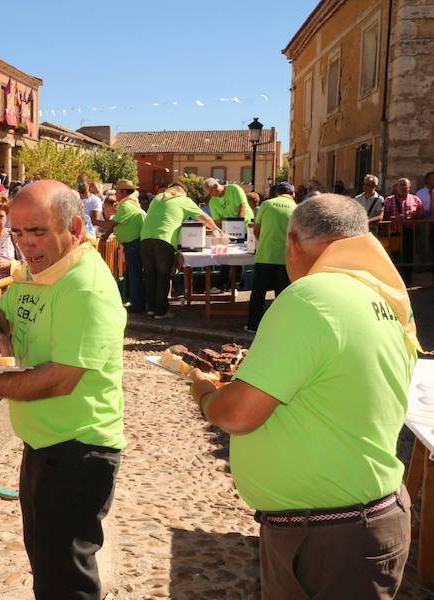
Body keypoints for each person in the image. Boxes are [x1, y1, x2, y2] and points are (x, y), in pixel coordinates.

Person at [190, 195, 418, 600]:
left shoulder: (313, 296)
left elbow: (240, 415)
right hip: (360, 521)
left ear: (293, 243)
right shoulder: (381, 293)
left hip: (330, 537)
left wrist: (206, 394)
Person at [0, 180, 126, 600]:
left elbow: (60, 378)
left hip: (79, 449)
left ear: (74, 228)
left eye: (37, 231)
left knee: (65, 577)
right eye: (17, 232)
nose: (24, 244)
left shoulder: (84, 285)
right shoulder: (39, 272)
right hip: (45, 444)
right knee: (47, 563)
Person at [140, 183, 221, 318]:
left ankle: (151, 309)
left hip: (145, 238)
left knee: (150, 275)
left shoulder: (159, 197)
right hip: (164, 239)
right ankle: (161, 311)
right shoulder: (183, 200)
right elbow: (204, 218)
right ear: (184, 191)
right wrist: (217, 230)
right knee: (162, 276)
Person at [245, 182, 296, 333]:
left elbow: (256, 230)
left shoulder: (266, 205)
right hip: (285, 257)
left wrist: (264, 242)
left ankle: (253, 325)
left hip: (265, 255)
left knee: (258, 293)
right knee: (281, 295)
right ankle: (280, 327)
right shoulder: (297, 208)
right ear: (293, 194)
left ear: (277, 193)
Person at [94, 179, 146, 313]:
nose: (115, 193)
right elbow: (117, 224)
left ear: (123, 192)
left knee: (135, 275)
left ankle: (137, 306)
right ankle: (137, 303)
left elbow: (111, 224)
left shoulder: (126, 205)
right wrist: (106, 235)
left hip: (134, 244)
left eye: (117, 190)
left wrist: (93, 220)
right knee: (134, 275)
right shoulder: (128, 204)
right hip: (133, 243)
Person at [384, 177, 425, 285]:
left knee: (408, 256)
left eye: (404, 185)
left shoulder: (416, 199)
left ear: (409, 188)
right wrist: (394, 218)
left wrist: (415, 216)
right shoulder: (389, 199)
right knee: (395, 255)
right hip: (394, 232)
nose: (402, 187)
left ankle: (407, 281)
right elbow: (385, 216)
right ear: (396, 187)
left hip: (409, 232)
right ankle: (396, 281)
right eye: (400, 185)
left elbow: (421, 215)